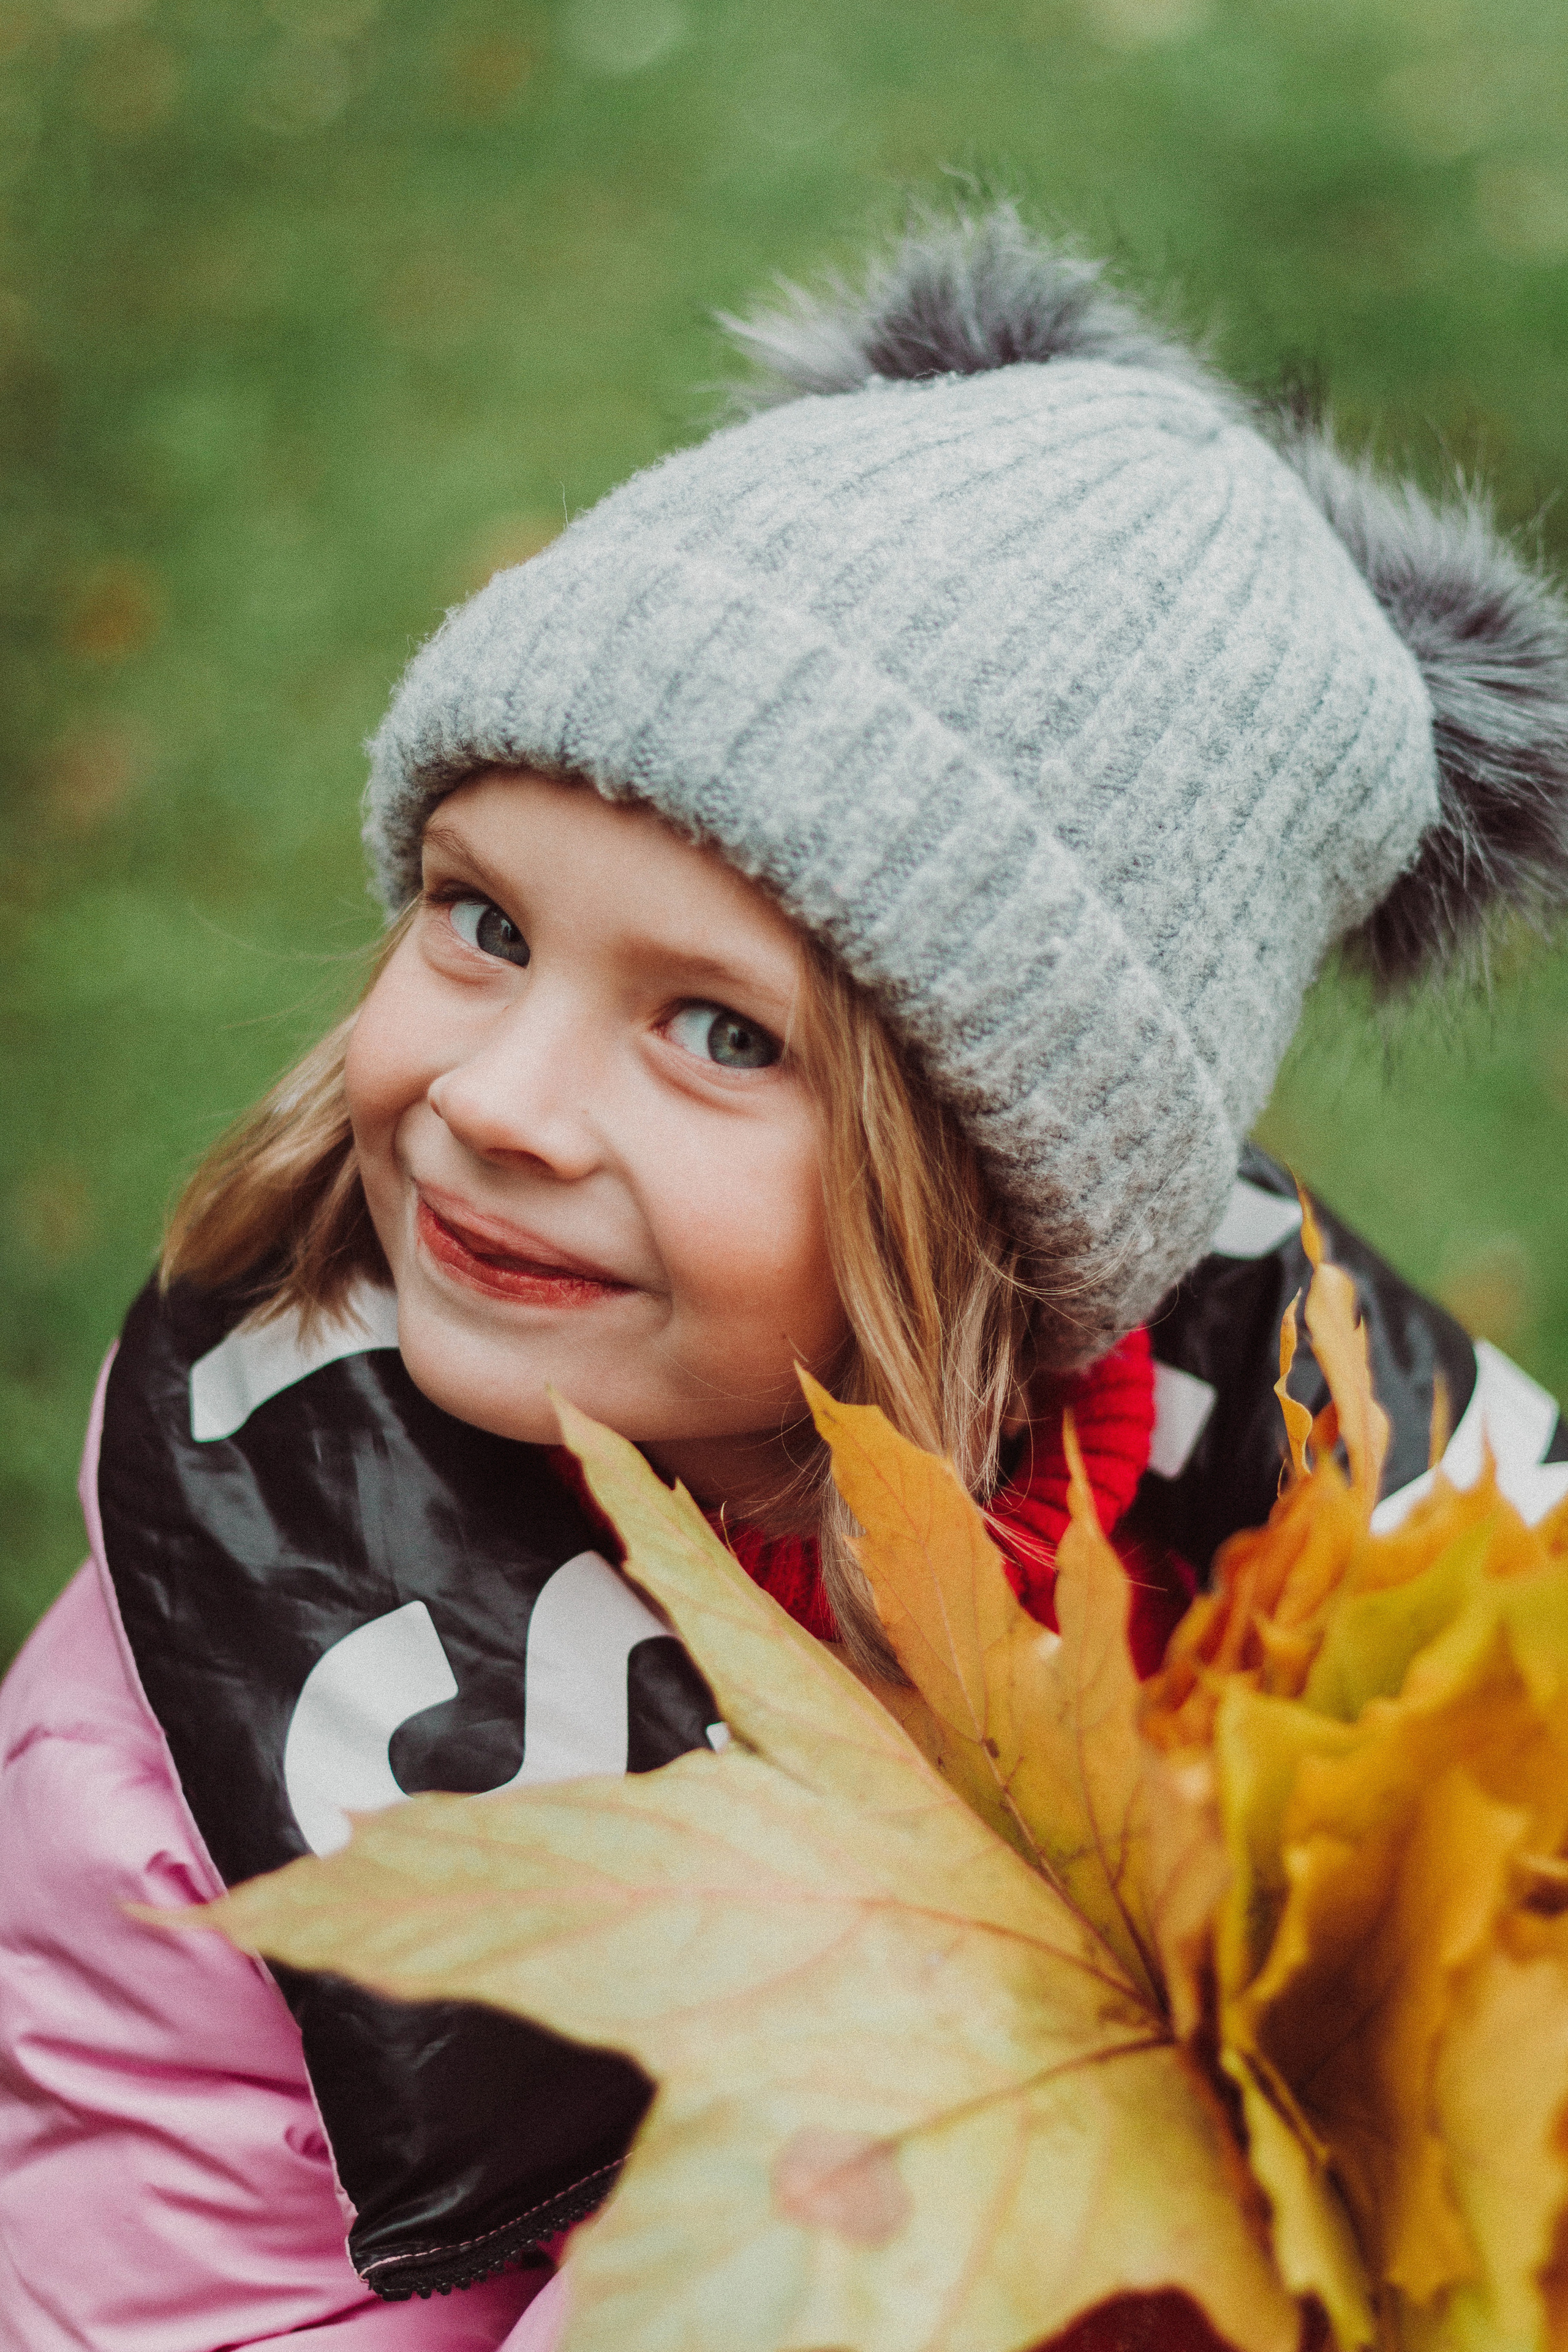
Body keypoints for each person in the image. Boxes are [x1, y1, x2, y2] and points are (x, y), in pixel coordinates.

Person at [4, 203, 1568, 2352]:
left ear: (1015, 1194)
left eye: (720, 1033)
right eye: (481, 921)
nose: (501, 1099)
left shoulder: (1334, 1488)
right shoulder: (217, 1748)